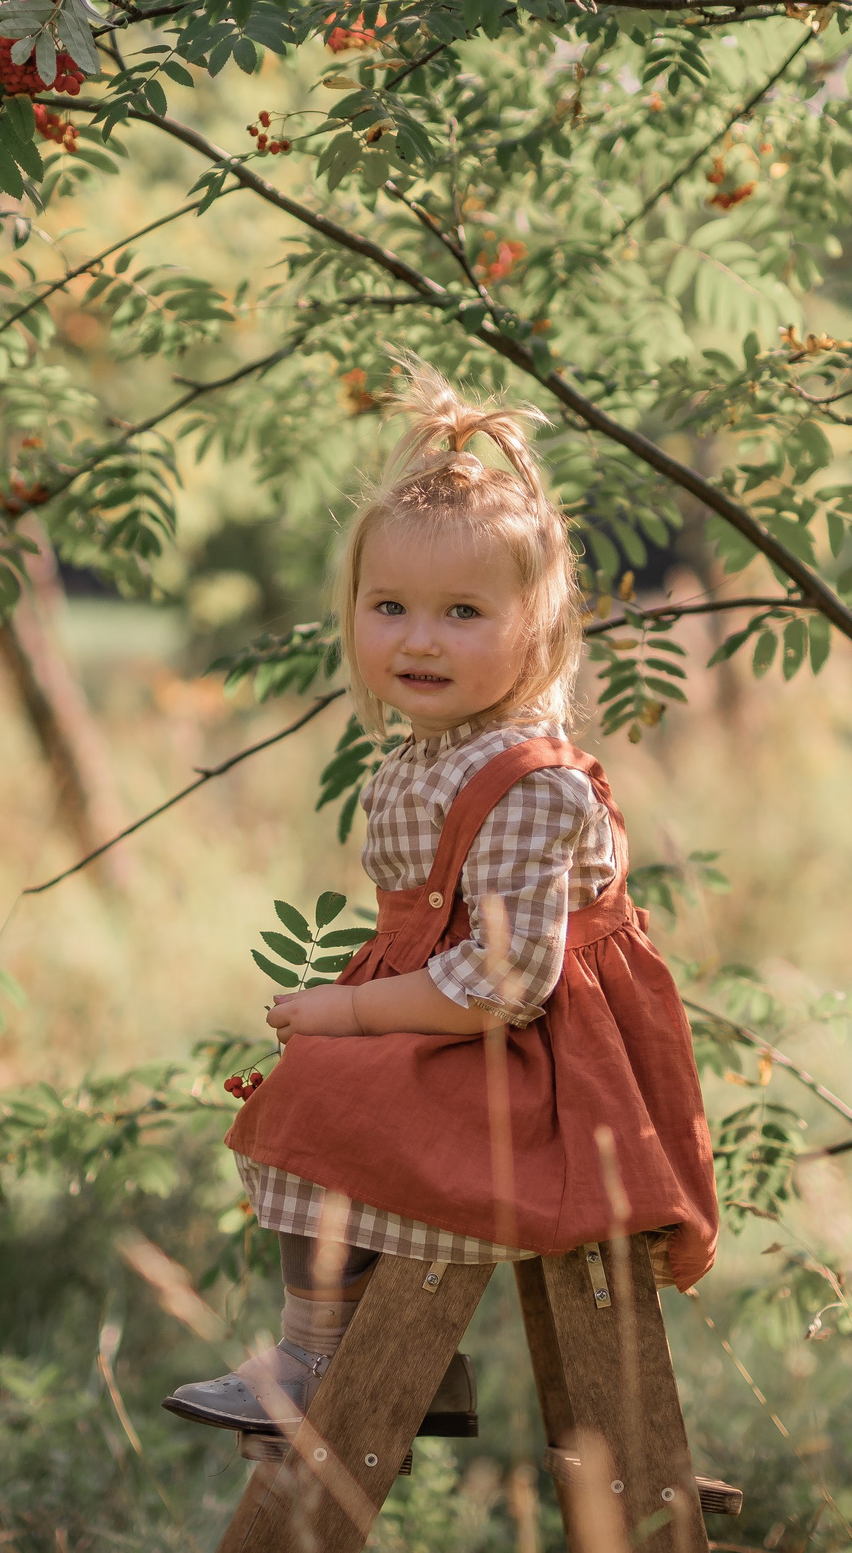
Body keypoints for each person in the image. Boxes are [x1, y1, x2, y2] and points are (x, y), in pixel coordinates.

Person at [163, 359, 719, 1438]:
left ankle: (322, 1359)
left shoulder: (529, 783)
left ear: (537, 630)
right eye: (390, 608)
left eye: (462, 611)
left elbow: (503, 982)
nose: (417, 639)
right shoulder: (427, 751)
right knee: (317, 1092)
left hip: (545, 1065)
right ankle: (365, 1355)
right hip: (464, 1027)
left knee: (323, 1091)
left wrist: (347, 1010)